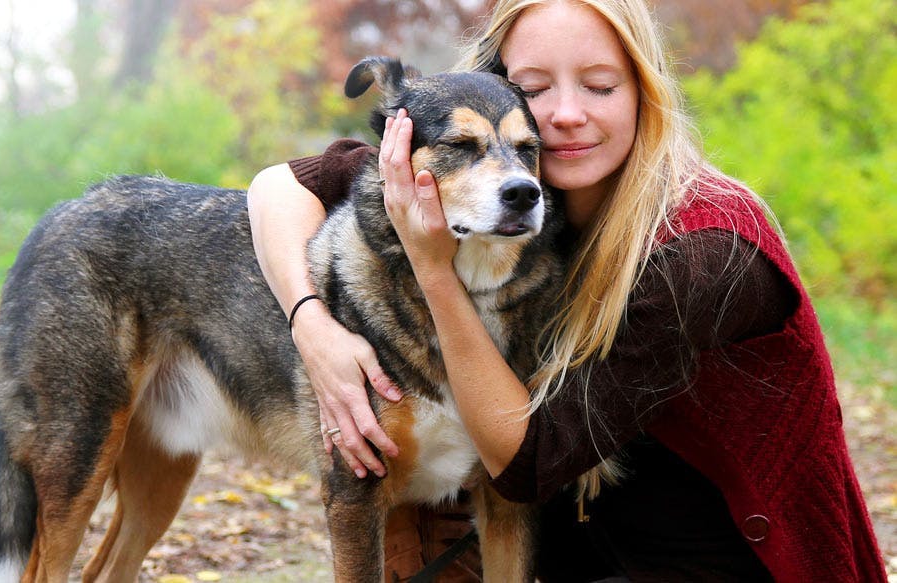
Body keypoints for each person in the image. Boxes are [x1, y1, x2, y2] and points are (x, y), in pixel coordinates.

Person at [246, 0, 887, 580]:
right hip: (581, 554)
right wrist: (311, 323)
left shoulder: (703, 253)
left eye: (601, 86)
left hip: (734, 564)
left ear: (645, 94)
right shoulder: (510, 185)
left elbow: (526, 468)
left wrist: (434, 269)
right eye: (533, 89)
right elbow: (279, 186)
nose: (567, 116)